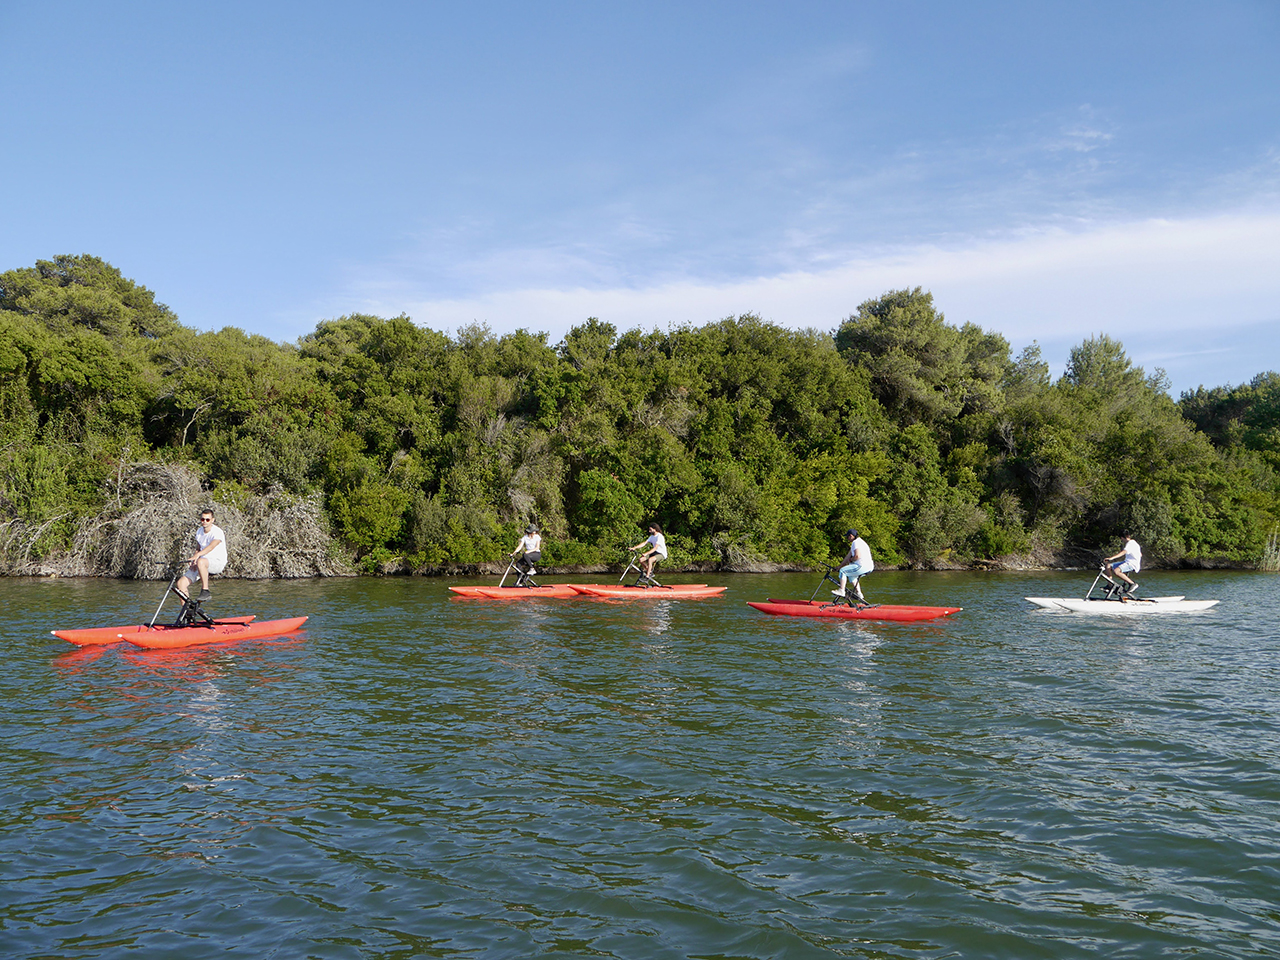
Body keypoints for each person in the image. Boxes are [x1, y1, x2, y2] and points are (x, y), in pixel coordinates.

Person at [177, 509, 227, 601]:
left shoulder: (217, 532)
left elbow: (211, 547)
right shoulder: (199, 531)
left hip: (217, 562)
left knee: (201, 561)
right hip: (202, 563)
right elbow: (198, 548)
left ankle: (205, 591)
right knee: (181, 583)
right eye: (202, 519)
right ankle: (187, 611)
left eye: (207, 520)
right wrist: (194, 559)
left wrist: (198, 556)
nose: (204, 522)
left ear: (212, 520)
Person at [833, 527, 874, 602]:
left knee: (843, 571)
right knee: (852, 577)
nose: (847, 539)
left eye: (847, 537)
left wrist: (850, 560)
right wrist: (839, 566)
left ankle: (842, 591)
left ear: (851, 536)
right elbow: (848, 556)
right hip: (869, 567)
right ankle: (859, 594)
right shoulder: (860, 542)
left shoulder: (856, 543)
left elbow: (857, 556)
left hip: (862, 566)